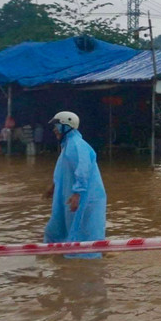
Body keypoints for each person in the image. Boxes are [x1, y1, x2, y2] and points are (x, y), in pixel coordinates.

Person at [43, 111, 108, 259]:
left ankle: (84, 264)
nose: (54, 129)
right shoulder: (68, 146)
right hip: (70, 196)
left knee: (85, 232)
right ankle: (56, 257)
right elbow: (64, 173)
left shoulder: (77, 146)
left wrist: (77, 194)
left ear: (67, 126)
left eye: (57, 125)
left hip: (85, 197)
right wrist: (53, 187)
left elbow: (83, 171)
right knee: (56, 230)